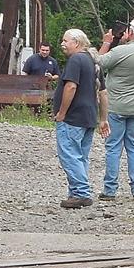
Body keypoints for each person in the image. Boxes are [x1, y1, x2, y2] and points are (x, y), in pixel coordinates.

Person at [95, 14, 134, 201]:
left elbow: (97, 64)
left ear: (131, 31)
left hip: (116, 107)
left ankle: (110, 190)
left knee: (113, 148)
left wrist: (107, 43)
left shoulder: (121, 51)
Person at [52, 28, 98, 208]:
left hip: (73, 116)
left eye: (65, 41)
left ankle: (81, 192)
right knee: (80, 157)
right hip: (89, 115)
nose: (62, 44)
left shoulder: (76, 60)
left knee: (69, 155)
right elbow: (102, 91)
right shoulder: (91, 60)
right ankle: (75, 193)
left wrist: (62, 113)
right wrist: (102, 117)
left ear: (76, 43)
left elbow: (70, 87)